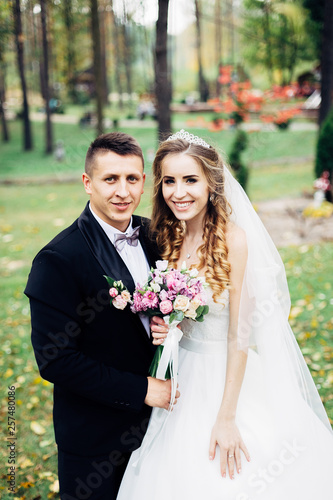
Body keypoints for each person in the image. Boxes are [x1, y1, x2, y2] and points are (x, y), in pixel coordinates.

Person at [117, 130, 333, 500]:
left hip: (227, 376)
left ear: (212, 185)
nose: (178, 192)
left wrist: (227, 416)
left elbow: (240, 335)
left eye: (190, 180)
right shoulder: (167, 236)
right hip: (181, 377)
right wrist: (166, 325)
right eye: (169, 181)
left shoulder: (234, 239)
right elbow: (182, 314)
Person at [24, 132, 179, 500]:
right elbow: (55, 360)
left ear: (144, 182)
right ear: (87, 183)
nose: (122, 191)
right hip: (96, 440)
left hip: (162, 430)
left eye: (132, 178)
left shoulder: (157, 237)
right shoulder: (58, 259)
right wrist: (143, 390)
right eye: (110, 179)